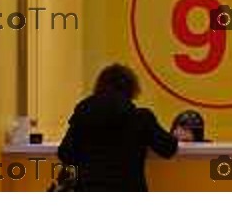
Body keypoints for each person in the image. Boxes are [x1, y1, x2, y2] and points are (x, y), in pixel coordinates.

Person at [56, 63, 178, 191]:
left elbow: (65, 153)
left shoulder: (83, 114)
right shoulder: (141, 118)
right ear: (132, 89)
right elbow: (168, 149)